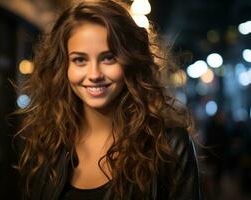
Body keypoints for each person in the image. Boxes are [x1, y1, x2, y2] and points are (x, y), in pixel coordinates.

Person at [15, 0, 202, 199]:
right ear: (64, 67)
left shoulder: (169, 144)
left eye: (108, 58)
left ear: (130, 61)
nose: (94, 74)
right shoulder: (48, 142)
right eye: (80, 60)